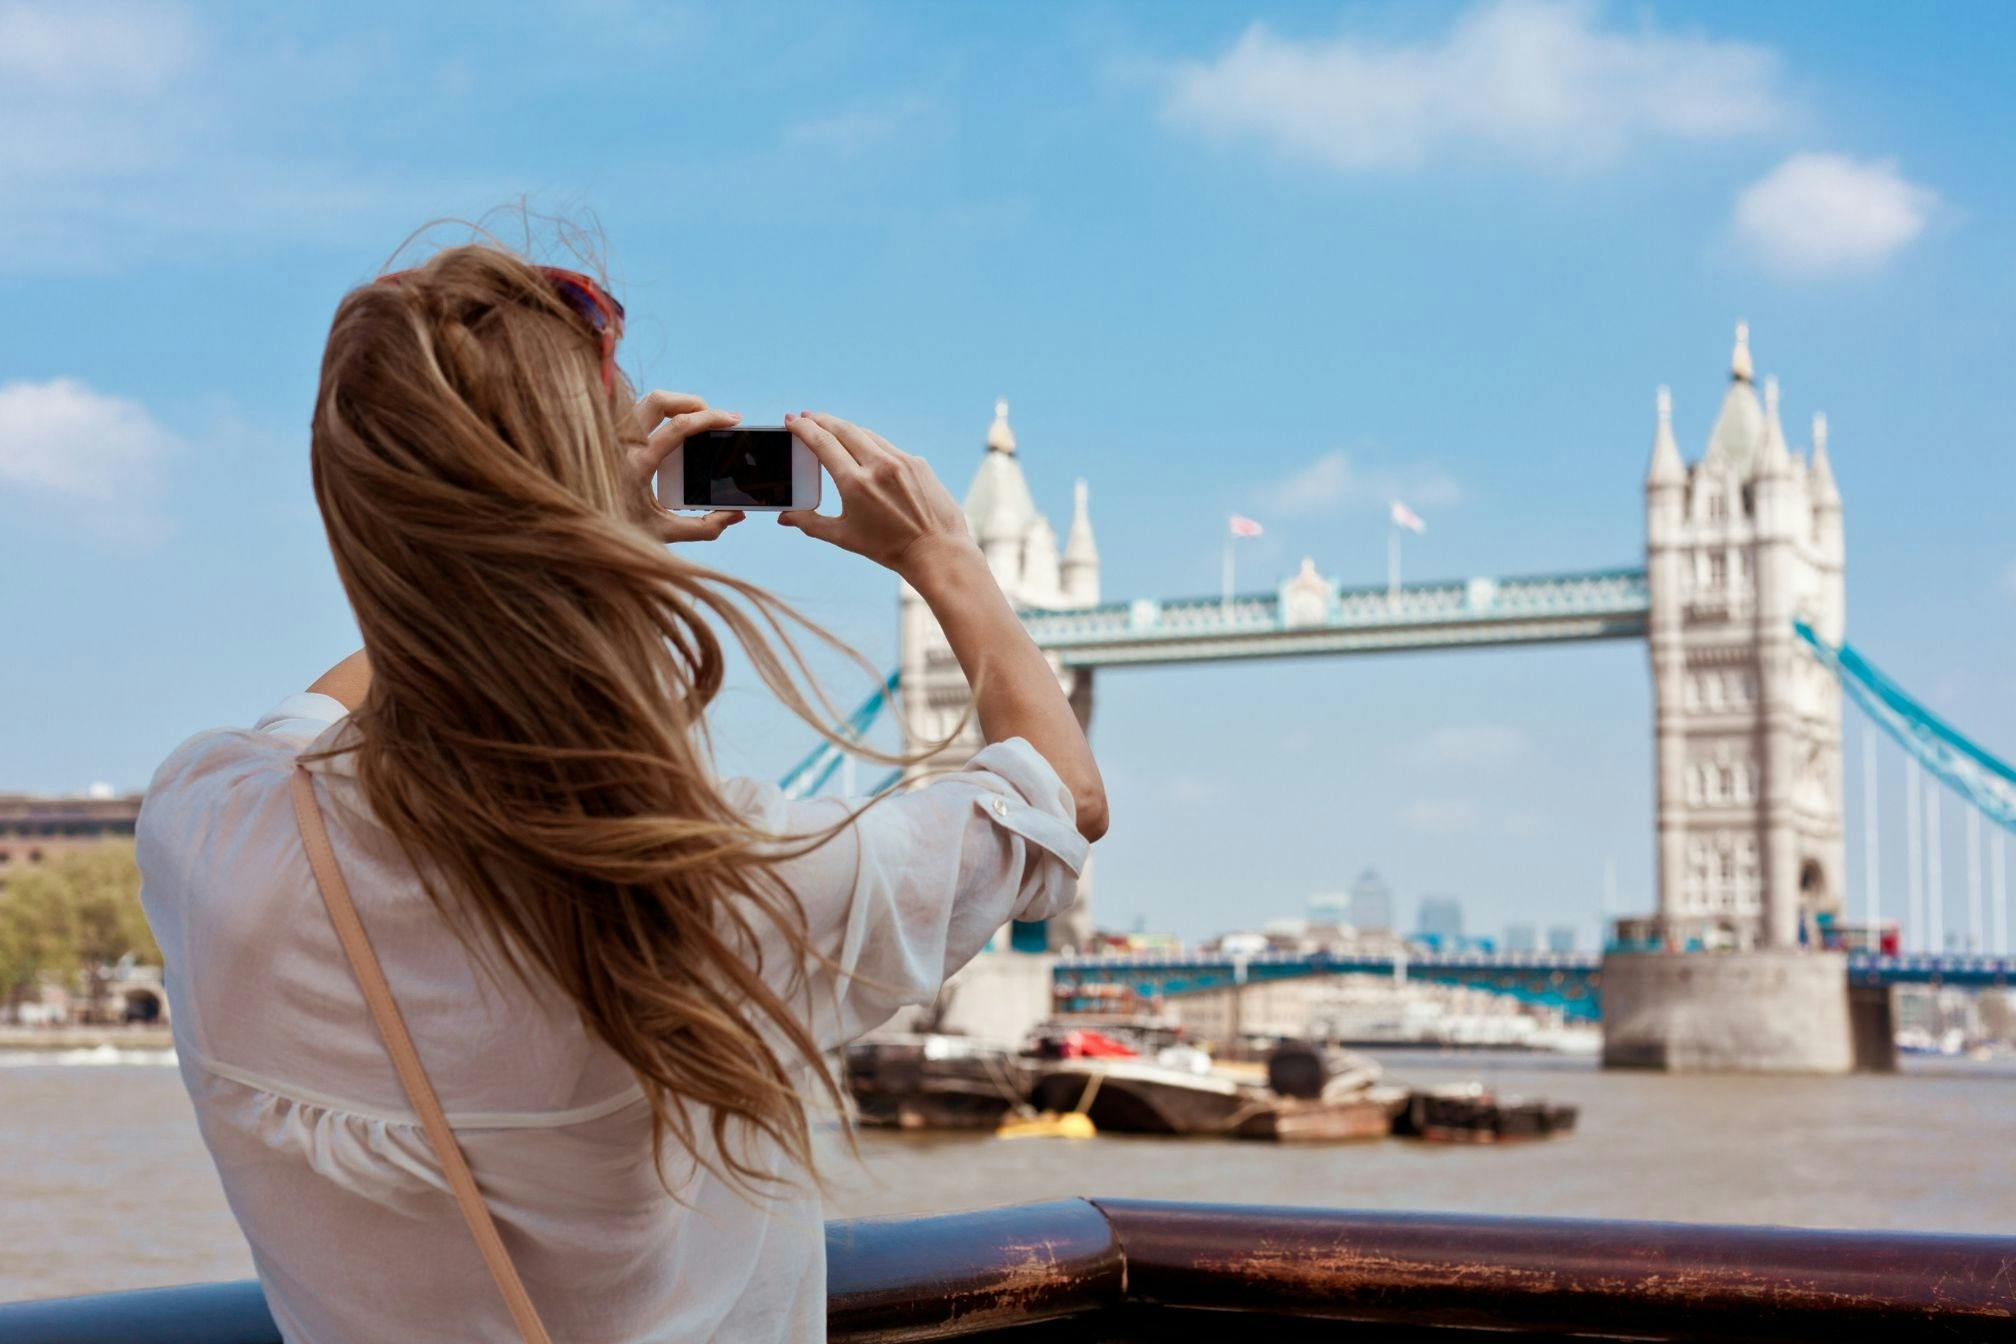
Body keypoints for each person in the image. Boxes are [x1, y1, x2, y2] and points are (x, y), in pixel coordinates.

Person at [136, 242, 1107, 1343]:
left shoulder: (208, 827)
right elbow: (1057, 802)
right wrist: (947, 557)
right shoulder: (723, 882)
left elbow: (335, 706)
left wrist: (547, 536)